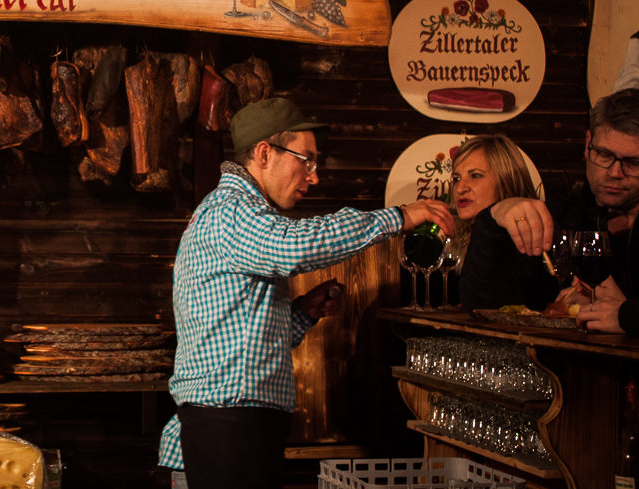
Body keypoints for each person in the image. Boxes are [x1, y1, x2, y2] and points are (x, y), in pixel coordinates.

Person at [157, 97, 454, 489]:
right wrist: (399, 216)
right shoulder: (232, 209)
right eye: (306, 160)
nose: (313, 176)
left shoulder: (238, 213)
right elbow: (295, 247)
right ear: (265, 153)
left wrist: (302, 313)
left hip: (235, 420)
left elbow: (239, 334)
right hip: (227, 422)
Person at [483, 87, 639, 334]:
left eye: (633, 162)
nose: (614, 172)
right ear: (588, 143)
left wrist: (627, 316)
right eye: (604, 154)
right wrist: (492, 219)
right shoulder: (562, 215)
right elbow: (484, 306)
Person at [454, 134, 560, 311]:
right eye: (456, 178)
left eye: (475, 175)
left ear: (505, 179)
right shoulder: (452, 241)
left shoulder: (528, 241)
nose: (460, 188)